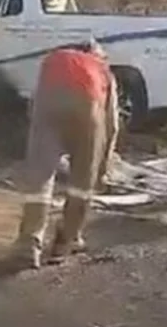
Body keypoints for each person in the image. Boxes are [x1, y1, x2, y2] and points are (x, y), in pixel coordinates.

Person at [11, 38, 119, 269]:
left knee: (40, 177)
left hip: (49, 104)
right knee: (82, 182)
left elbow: (34, 103)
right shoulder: (102, 70)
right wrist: (102, 168)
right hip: (87, 109)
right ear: (96, 53)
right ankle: (66, 241)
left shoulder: (54, 59)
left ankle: (29, 243)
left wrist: (39, 143)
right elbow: (112, 125)